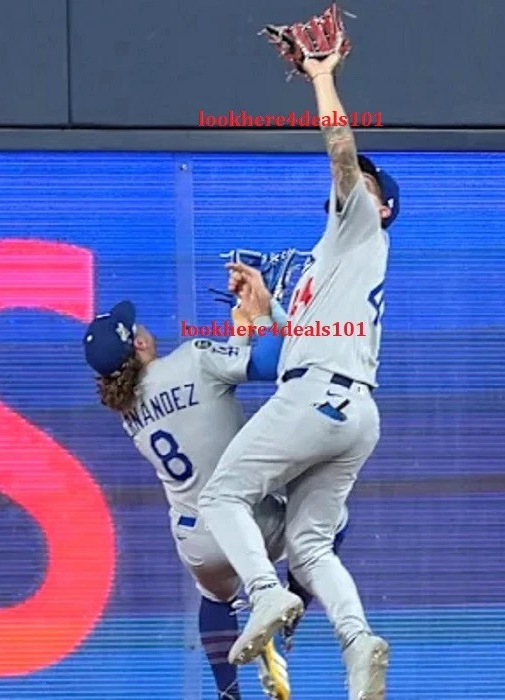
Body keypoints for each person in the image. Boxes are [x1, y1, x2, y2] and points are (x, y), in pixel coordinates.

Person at [197, 37, 399, 700]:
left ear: (382, 205)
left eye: (369, 184)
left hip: (318, 400)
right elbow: (305, 337)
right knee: (311, 548)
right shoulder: (330, 258)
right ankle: (359, 640)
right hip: (353, 411)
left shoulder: (362, 224)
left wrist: (321, 79)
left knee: (222, 496)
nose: (352, 183)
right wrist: (266, 306)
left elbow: (341, 150)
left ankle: (263, 594)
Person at [81, 267, 348, 700]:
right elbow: (267, 364)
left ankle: (227, 693)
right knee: (332, 521)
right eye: (138, 327)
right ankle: (289, 610)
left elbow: (203, 391)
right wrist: (261, 317)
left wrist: (237, 334)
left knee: (215, 599)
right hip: (249, 521)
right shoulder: (191, 358)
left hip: (196, 540)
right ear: (140, 342)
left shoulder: (128, 409)